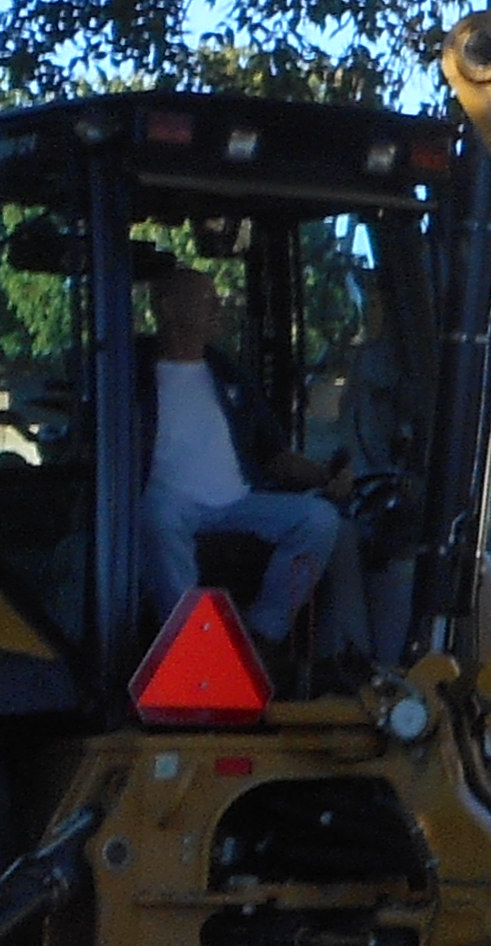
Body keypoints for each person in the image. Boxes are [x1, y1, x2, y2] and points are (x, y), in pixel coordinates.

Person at [138, 260, 354, 657]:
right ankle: (189, 643)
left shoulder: (228, 375)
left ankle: (261, 636)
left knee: (319, 519)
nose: (217, 307)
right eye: (205, 298)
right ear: (167, 307)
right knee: (158, 515)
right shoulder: (129, 373)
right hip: (172, 503)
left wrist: (325, 479)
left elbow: (274, 456)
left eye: (216, 298)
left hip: (239, 502)